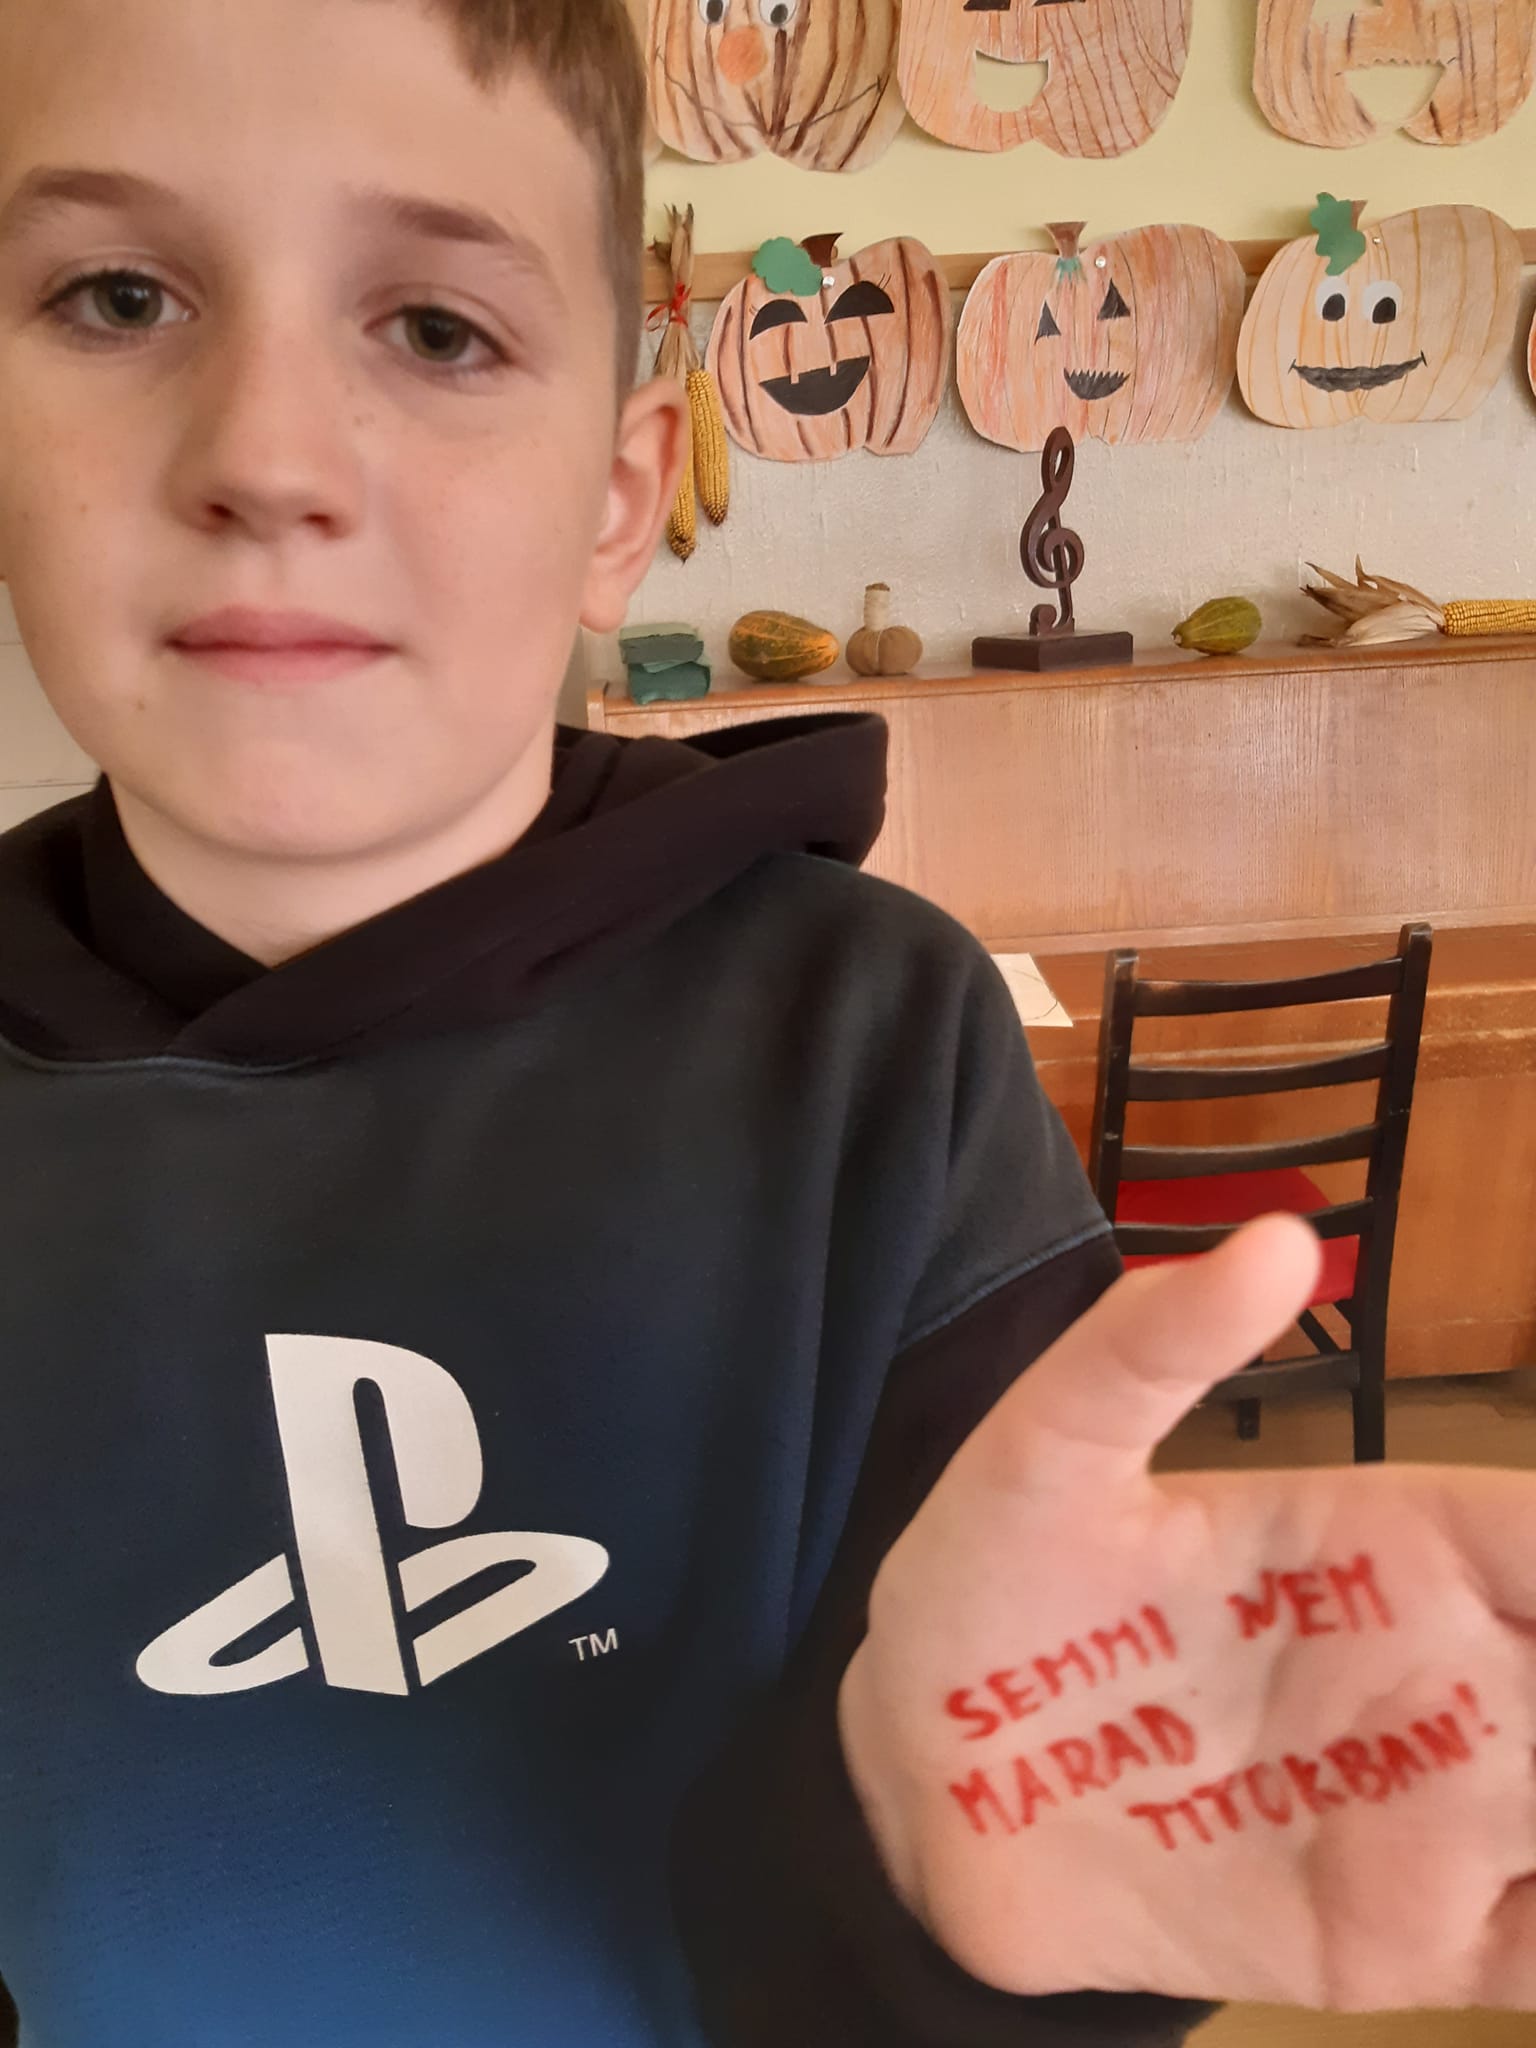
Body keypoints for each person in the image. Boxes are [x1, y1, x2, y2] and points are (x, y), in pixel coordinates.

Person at [0, 3, 1531, 2044]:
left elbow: (1025, 1819)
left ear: (620, 494)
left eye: (438, 330)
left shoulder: (875, 1049)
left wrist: (944, 1879)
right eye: (119, 296)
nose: (265, 459)